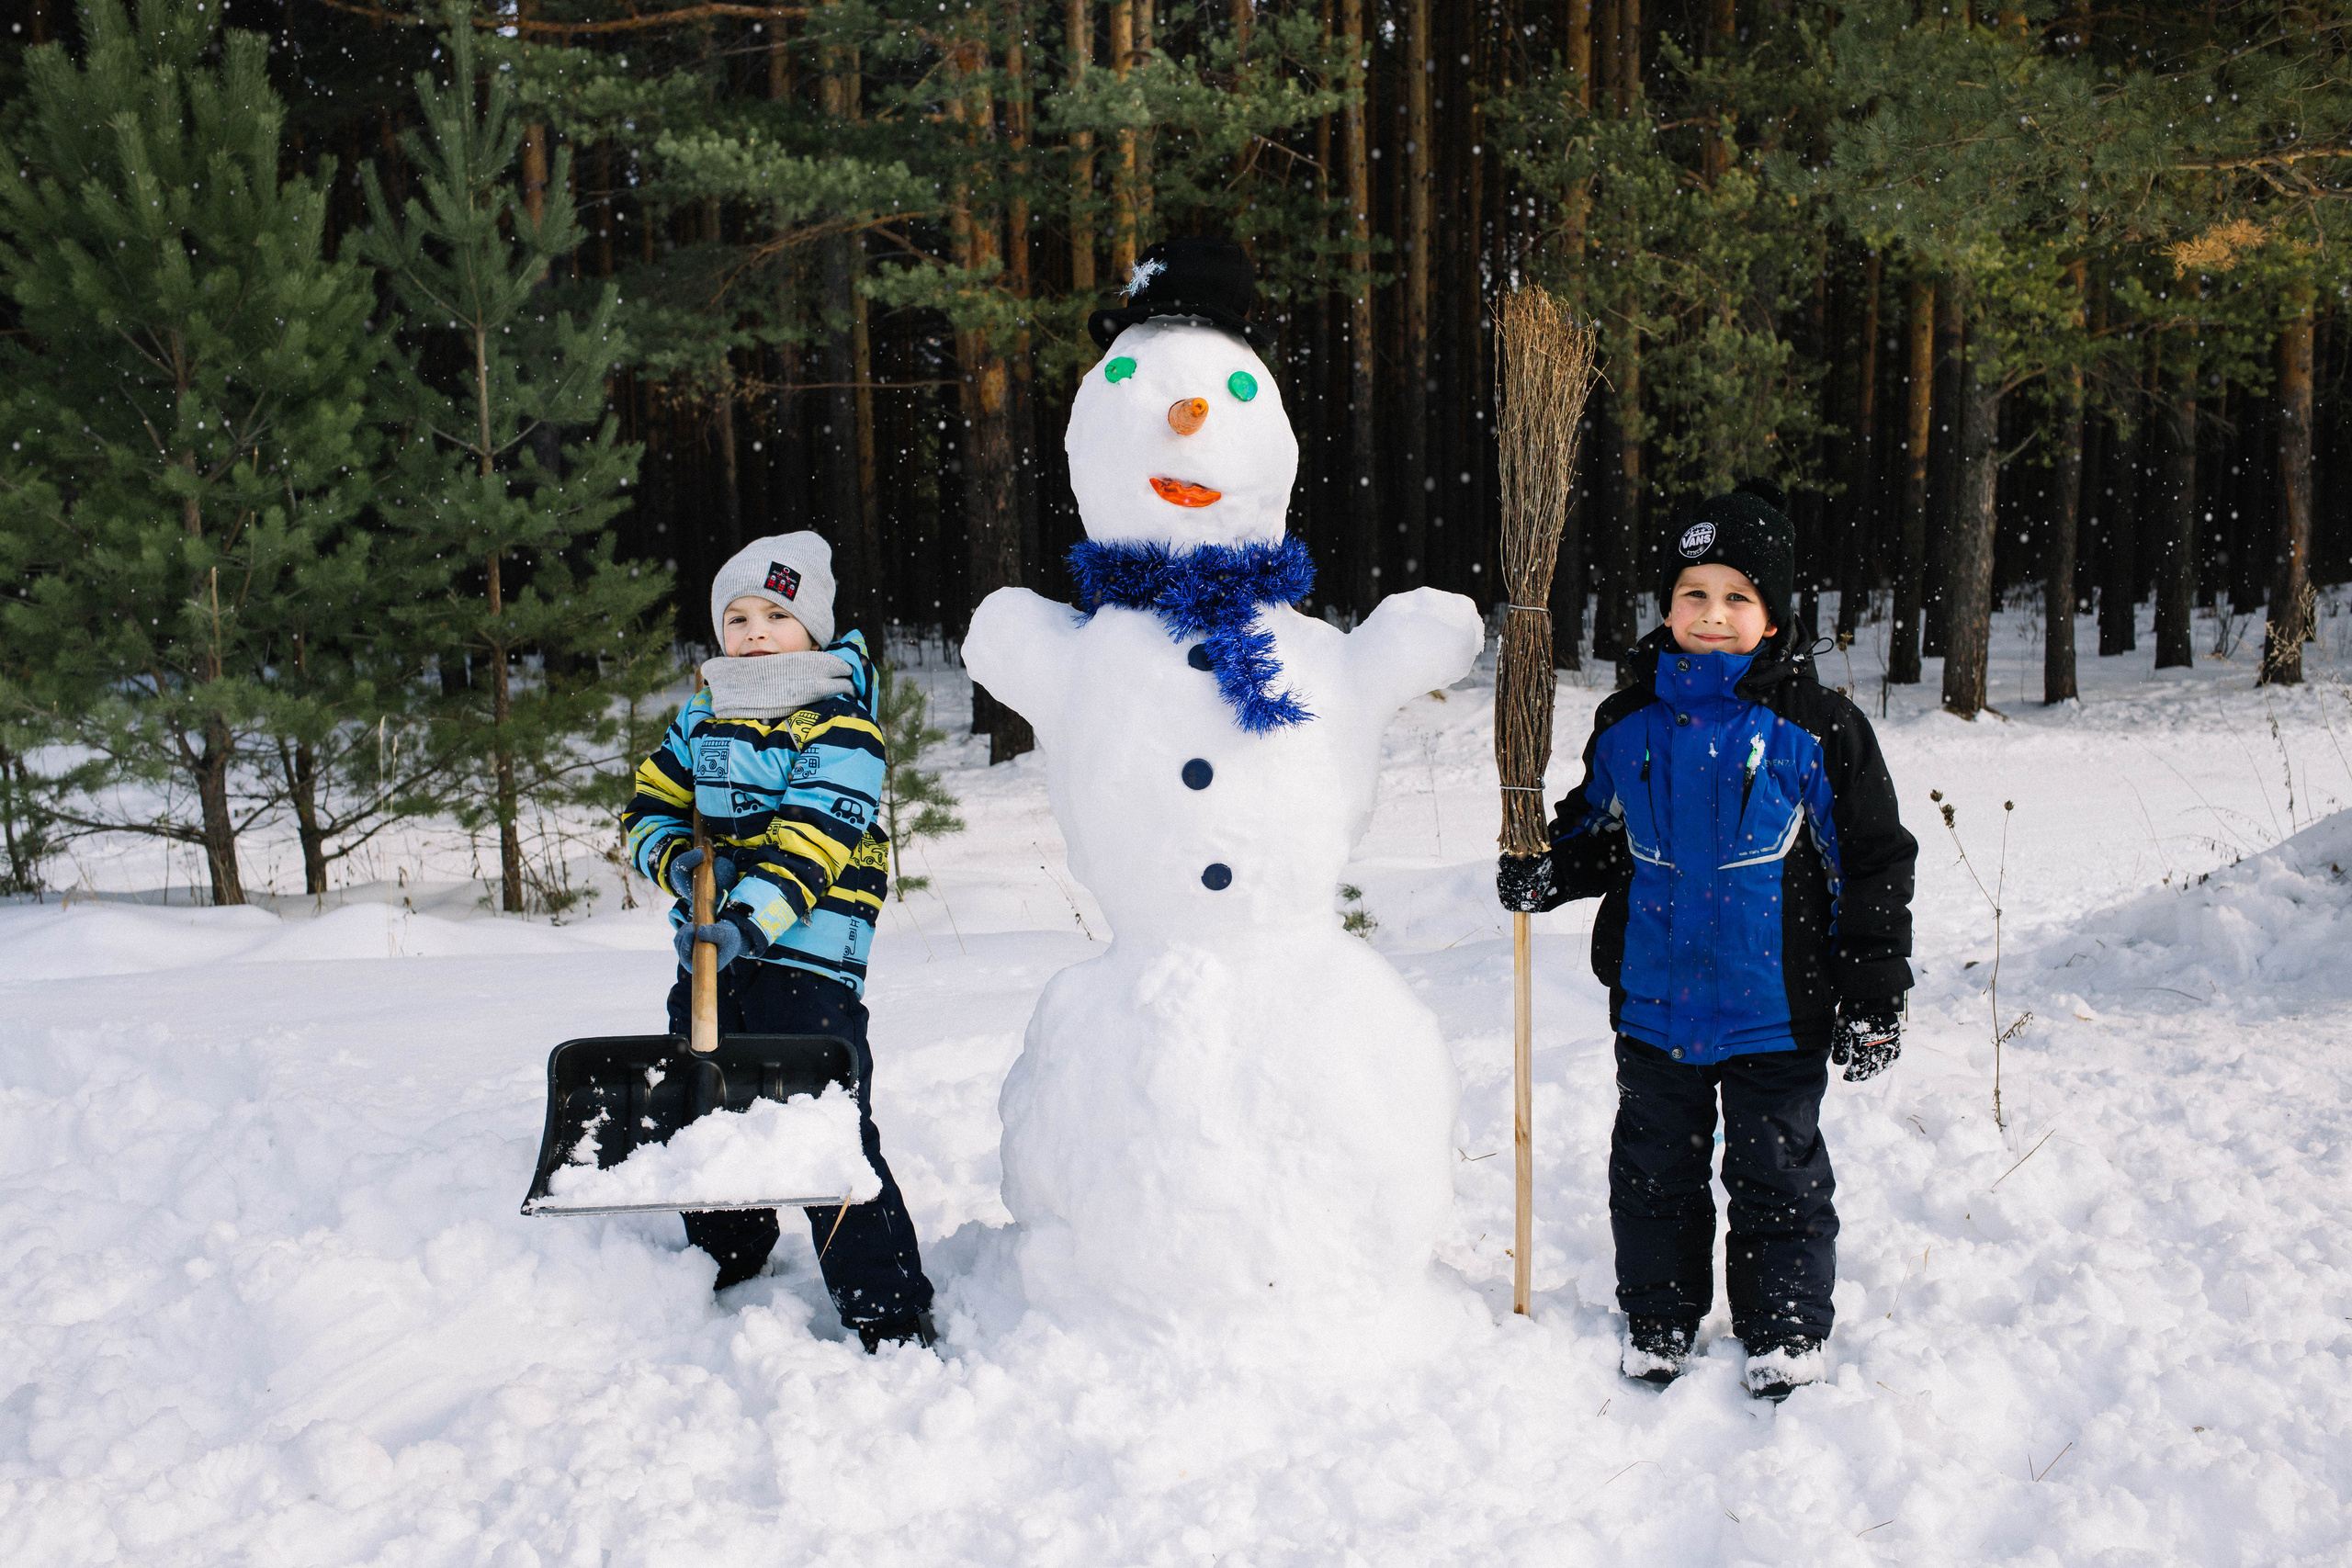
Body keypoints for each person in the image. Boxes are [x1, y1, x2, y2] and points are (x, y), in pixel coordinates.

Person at [1497, 481, 1916, 1401]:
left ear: (1771, 618)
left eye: (1738, 597)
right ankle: (1659, 1314)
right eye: (1694, 594)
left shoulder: (1816, 729)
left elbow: (1871, 867)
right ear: (1666, 607)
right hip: (1653, 1003)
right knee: (1652, 1170)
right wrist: (1544, 868)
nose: (1713, 615)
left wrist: (1873, 994)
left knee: (1777, 1172)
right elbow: (1596, 834)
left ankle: (1784, 1324)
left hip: (1778, 1007)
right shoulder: (1628, 724)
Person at [621, 532, 937, 1352]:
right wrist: (673, 855)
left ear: (815, 629)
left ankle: (887, 1307)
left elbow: (810, 841)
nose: (754, 630)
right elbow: (647, 807)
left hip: (808, 965)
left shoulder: (842, 726)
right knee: (707, 1108)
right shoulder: (704, 717)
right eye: (736, 615)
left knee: (825, 1129)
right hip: (709, 958)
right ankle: (727, 1255)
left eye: (776, 613)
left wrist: (746, 919)